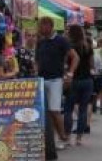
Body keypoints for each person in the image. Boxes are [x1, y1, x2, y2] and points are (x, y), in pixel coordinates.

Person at [35, 17, 77, 151]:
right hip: (42, 79)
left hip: (55, 79)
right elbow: (37, 60)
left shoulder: (61, 40)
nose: (40, 29)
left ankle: (63, 137)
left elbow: (75, 57)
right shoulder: (40, 42)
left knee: (54, 109)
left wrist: (70, 73)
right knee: (46, 111)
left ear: (49, 26)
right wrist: (36, 71)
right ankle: (51, 138)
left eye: (41, 26)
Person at [63, 24, 94, 146]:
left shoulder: (68, 46)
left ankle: (67, 136)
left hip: (73, 80)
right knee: (83, 109)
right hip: (87, 80)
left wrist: (67, 74)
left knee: (68, 109)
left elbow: (65, 63)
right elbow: (92, 65)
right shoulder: (87, 46)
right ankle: (79, 138)